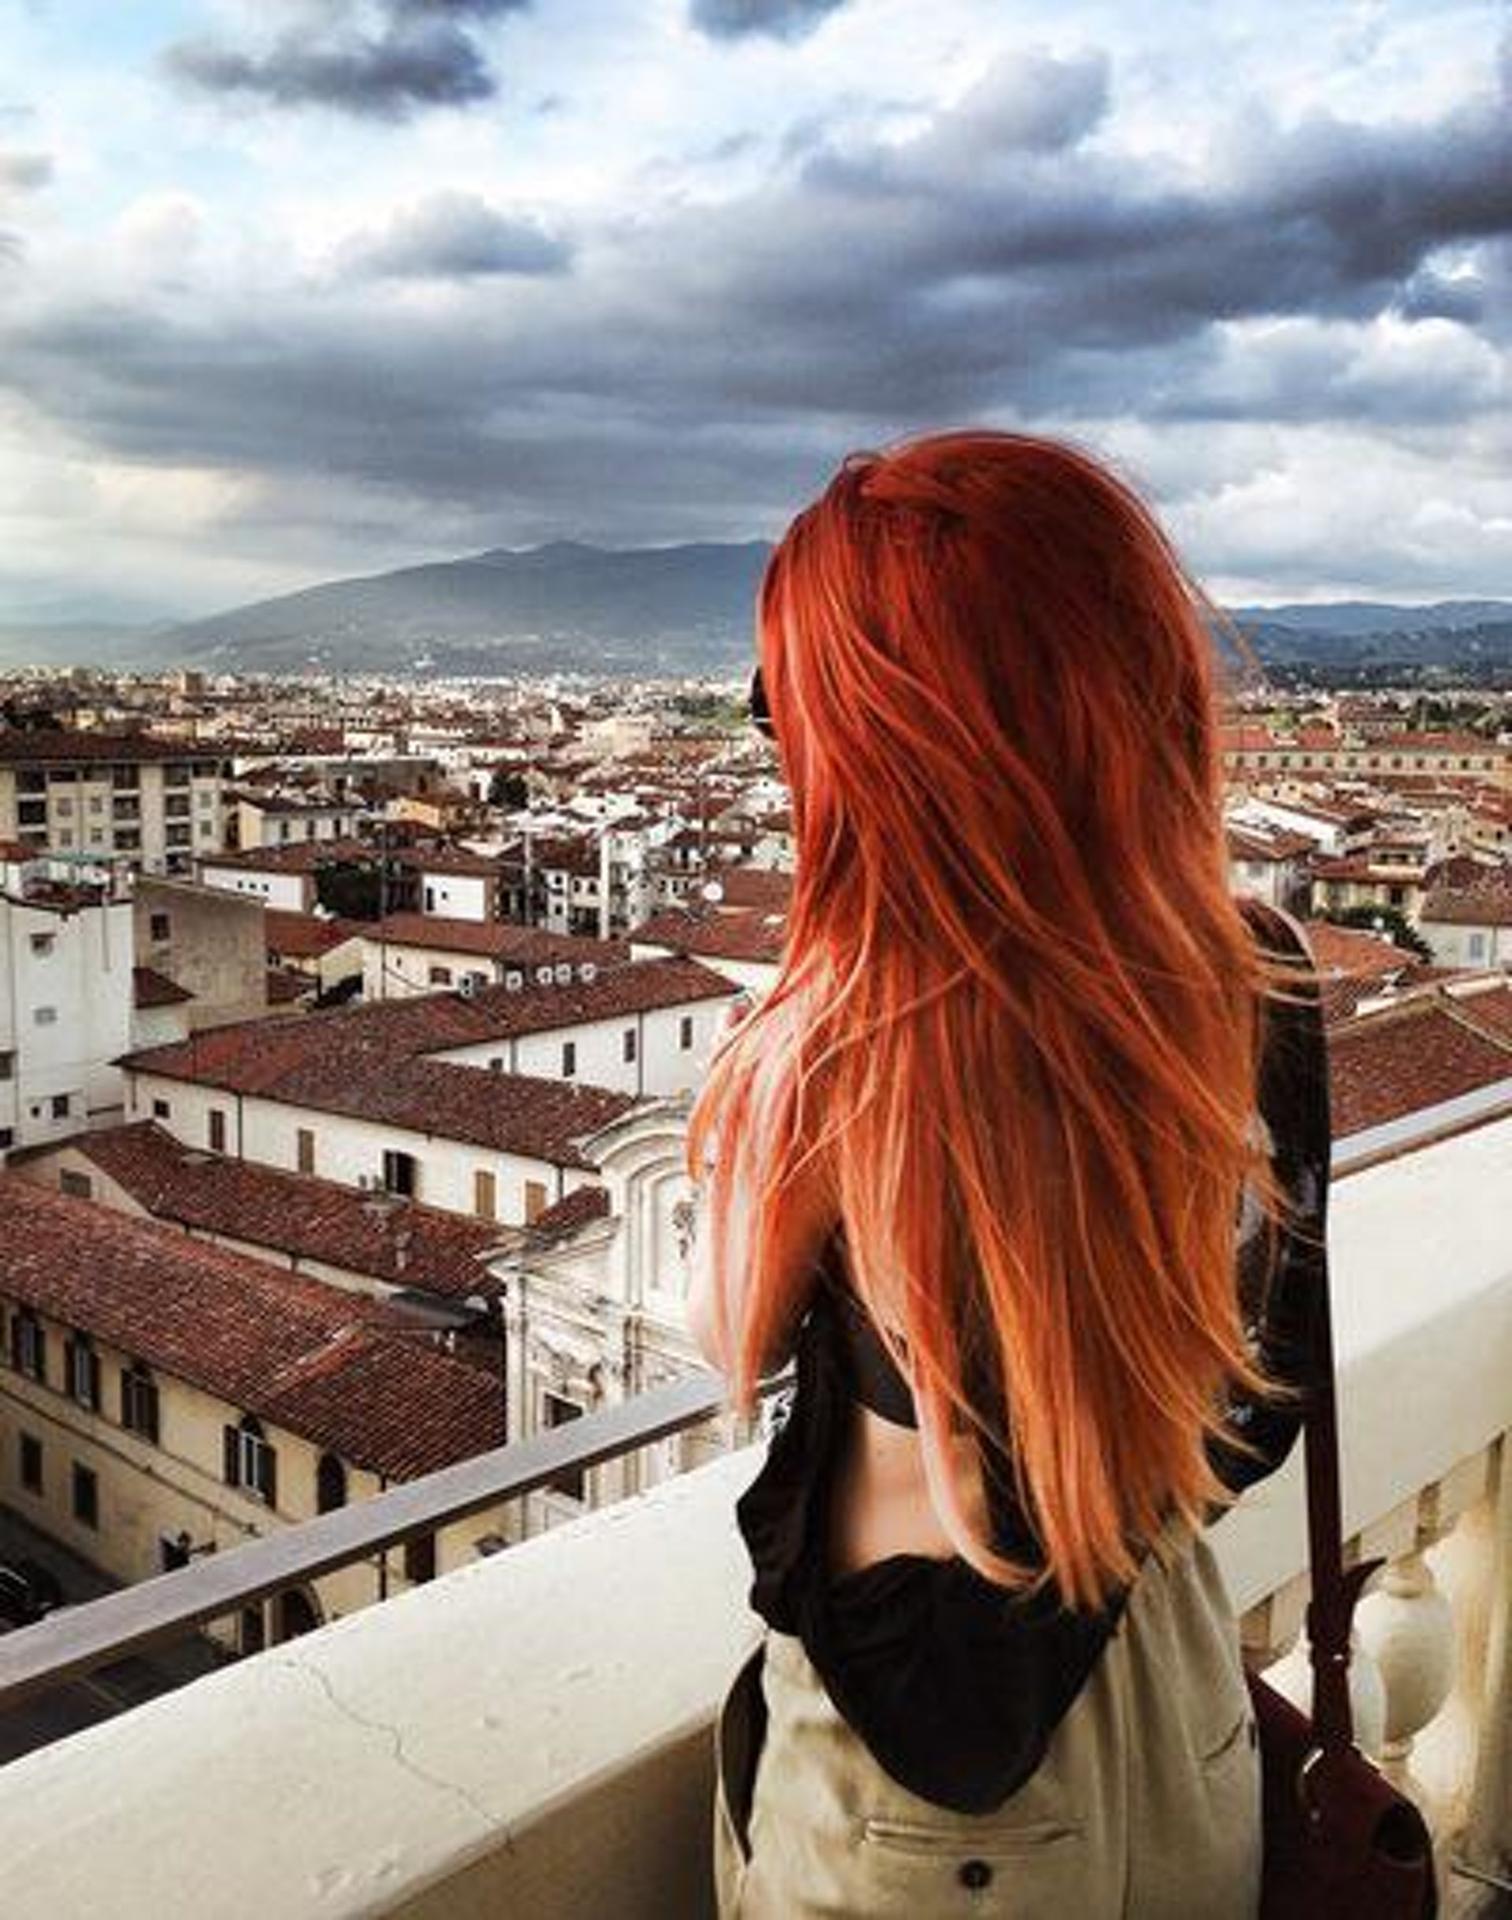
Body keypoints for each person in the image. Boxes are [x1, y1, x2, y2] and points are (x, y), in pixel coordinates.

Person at [684, 431, 1332, 1917]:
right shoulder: (1254, 977)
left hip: (918, 1804)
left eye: (789, 707)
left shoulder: (837, 1041)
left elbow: (728, 1335)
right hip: (1179, 1702)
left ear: (882, 745)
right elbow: (1260, 1385)